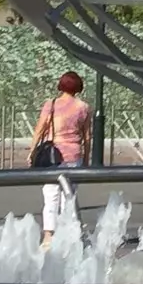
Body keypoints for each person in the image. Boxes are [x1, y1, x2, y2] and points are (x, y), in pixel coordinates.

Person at [29, 72, 93, 244]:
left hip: (53, 156)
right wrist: (86, 160)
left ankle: (49, 235)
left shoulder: (52, 104)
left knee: (50, 195)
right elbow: (87, 137)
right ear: (78, 87)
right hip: (74, 156)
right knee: (69, 195)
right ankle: (69, 234)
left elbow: (40, 129)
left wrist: (32, 151)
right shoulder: (83, 107)